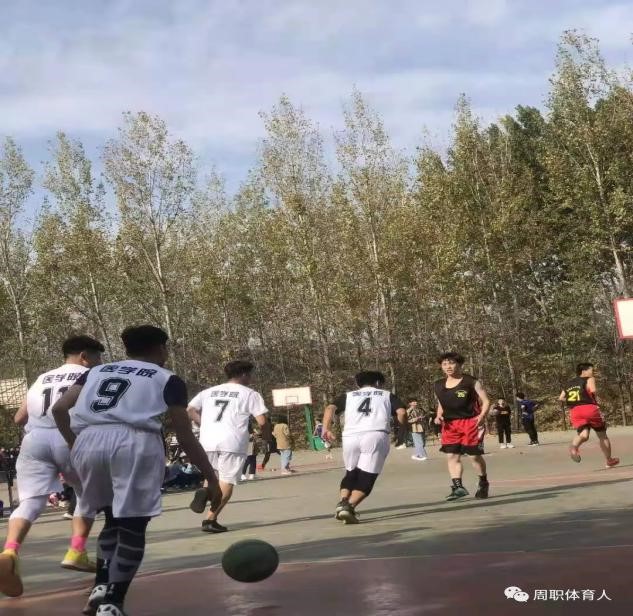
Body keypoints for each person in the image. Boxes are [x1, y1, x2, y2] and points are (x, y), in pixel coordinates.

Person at [50, 324, 220, 616]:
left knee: (111, 517)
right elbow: (185, 434)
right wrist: (210, 477)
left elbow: (58, 408)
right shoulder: (167, 378)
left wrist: (74, 443)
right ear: (161, 349)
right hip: (133, 442)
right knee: (133, 525)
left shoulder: (95, 372)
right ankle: (112, 603)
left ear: (127, 349)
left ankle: (101, 586)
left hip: (89, 440)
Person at [0, 335, 104, 599]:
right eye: (97, 357)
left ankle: (10, 550)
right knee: (87, 494)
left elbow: (19, 417)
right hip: (70, 437)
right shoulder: (91, 375)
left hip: (34, 441)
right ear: (84, 356)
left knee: (31, 502)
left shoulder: (42, 378)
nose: (99, 362)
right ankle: (76, 550)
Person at [187, 360, 271, 533]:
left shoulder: (208, 392)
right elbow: (262, 421)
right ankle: (210, 519)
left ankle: (205, 491)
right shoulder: (249, 394)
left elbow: (190, 410)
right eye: (250, 374)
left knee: (212, 475)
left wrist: (203, 424)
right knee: (227, 481)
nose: (251, 378)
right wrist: (267, 438)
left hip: (208, 440)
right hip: (232, 441)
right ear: (244, 374)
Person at [322, 371, 406, 524]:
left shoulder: (348, 395)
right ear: (378, 383)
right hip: (375, 434)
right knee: (368, 475)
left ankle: (343, 501)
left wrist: (326, 428)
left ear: (357, 384)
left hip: (350, 436)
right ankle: (349, 506)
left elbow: (329, 408)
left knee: (351, 472)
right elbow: (401, 412)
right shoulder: (386, 395)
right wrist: (401, 430)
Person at [434, 353, 491, 501]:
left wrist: (482, 415)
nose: (448, 366)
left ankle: (483, 482)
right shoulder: (438, 384)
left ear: (459, 365)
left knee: (474, 456)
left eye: (451, 363)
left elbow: (486, 401)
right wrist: (438, 415)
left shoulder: (471, 382)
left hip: (470, 422)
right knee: (451, 456)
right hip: (449, 425)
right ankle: (458, 487)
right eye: (445, 364)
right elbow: (441, 403)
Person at [560, 363, 619, 468]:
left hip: (575, 411)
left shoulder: (569, 383)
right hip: (589, 408)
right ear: (584, 371)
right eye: (591, 370)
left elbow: (561, 398)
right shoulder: (589, 378)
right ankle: (609, 460)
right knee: (602, 435)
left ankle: (574, 447)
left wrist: (575, 400)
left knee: (584, 435)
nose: (593, 372)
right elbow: (593, 390)